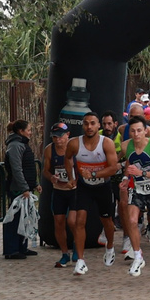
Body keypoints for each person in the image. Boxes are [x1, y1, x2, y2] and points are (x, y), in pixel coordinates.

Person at [64, 112, 120, 276]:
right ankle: (80, 261)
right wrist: (71, 177)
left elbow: (113, 167)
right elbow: (67, 158)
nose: (89, 126)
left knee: (107, 221)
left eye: (93, 123)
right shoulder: (74, 143)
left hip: (103, 186)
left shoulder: (106, 143)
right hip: (84, 187)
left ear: (98, 126)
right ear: (83, 125)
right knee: (79, 221)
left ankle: (110, 246)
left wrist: (94, 174)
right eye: (86, 123)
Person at [121, 115, 150, 277]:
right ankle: (137, 256)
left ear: (146, 131)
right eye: (133, 131)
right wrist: (126, 178)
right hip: (137, 189)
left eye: (139, 130)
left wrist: (142, 173)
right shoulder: (126, 146)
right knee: (132, 220)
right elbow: (129, 163)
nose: (136, 134)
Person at [4, 120, 40, 259]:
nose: (30, 132)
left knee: (23, 218)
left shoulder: (21, 145)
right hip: (17, 189)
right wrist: (24, 187)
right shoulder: (15, 146)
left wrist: (34, 184)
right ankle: (12, 250)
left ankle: (21, 247)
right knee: (15, 219)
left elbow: (28, 167)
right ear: (21, 131)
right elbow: (17, 169)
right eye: (29, 130)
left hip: (24, 188)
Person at [43, 122, 76, 267]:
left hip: (74, 191)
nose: (57, 140)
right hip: (59, 191)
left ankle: (77, 247)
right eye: (55, 137)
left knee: (73, 222)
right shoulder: (49, 149)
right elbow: (45, 170)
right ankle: (64, 254)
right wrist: (51, 177)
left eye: (60, 136)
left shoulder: (75, 147)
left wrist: (76, 180)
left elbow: (83, 166)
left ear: (68, 135)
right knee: (59, 222)